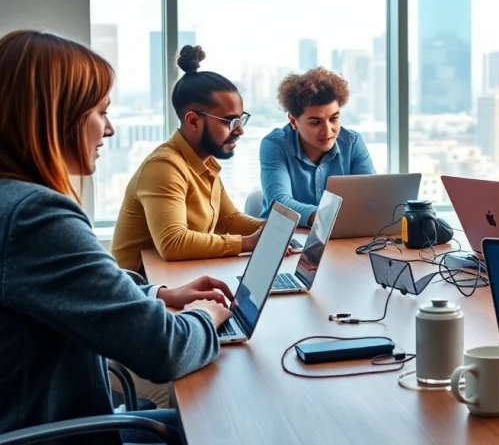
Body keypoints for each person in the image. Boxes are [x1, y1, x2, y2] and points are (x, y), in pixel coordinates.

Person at [0, 30, 232, 443]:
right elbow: (166, 350)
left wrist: (160, 294)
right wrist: (208, 318)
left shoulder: (12, 203)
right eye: (100, 112)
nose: (108, 130)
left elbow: (72, 292)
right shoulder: (34, 216)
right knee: (232, 423)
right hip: (58, 434)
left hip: (41, 421)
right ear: (55, 116)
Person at [112, 45, 264, 273]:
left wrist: (273, 230)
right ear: (192, 121)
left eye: (241, 119)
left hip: (175, 280)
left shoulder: (205, 162)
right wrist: (248, 243)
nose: (240, 130)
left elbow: (228, 219)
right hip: (139, 291)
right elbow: (173, 243)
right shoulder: (164, 166)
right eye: (229, 121)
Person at [260, 67, 375, 226]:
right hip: (286, 236)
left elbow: (371, 197)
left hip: (341, 237)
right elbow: (279, 203)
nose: (328, 131)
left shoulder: (353, 142)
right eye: (315, 122)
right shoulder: (275, 145)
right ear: (294, 122)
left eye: (333, 119)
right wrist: (325, 217)